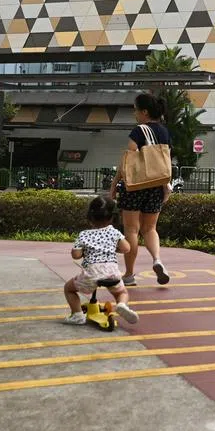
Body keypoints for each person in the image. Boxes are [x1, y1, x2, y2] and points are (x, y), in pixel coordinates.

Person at [108, 92, 173, 287]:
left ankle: (129, 274)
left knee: (132, 229)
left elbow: (128, 160)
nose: (134, 113)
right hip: (156, 185)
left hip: (135, 186)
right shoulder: (164, 131)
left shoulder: (138, 131)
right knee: (150, 228)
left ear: (144, 112)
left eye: (136, 110)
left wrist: (113, 185)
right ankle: (157, 260)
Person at [64, 195, 138, 325]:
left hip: (92, 273)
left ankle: (77, 315)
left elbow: (76, 255)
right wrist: (113, 249)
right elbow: (127, 248)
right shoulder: (113, 232)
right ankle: (122, 305)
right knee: (121, 292)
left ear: (90, 217)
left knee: (69, 289)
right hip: (112, 272)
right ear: (111, 217)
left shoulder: (84, 234)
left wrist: (81, 251)